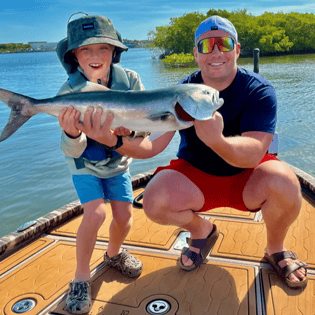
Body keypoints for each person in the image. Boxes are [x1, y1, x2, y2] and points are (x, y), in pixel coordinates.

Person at [138, 15, 307, 289]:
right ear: (195, 54)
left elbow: (254, 154)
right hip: (196, 179)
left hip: (249, 179)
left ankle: (275, 249)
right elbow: (151, 145)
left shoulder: (259, 91)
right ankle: (201, 231)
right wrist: (112, 139)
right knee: (153, 200)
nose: (216, 52)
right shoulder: (179, 92)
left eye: (224, 43)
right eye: (206, 46)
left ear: (237, 50)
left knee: (286, 183)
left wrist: (217, 140)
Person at [56, 13, 145, 314]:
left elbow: (144, 126)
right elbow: (71, 148)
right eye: (85, 49)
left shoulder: (130, 81)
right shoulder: (68, 93)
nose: (94, 56)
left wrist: (129, 131)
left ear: (114, 52)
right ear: (74, 56)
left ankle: (114, 254)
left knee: (124, 218)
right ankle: (81, 277)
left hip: (118, 163)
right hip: (83, 166)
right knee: (95, 214)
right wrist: (71, 131)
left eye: (102, 48)